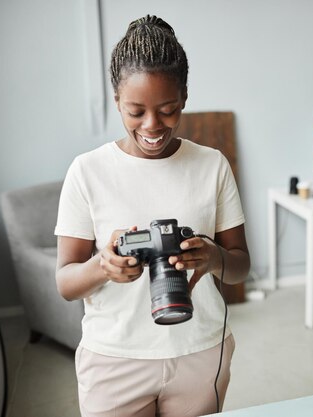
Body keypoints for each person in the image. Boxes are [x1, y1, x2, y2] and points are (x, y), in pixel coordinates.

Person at [54, 15, 250, 417]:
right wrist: (103, 266)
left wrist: (212, 258)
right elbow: (66, 283)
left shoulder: (212, 165)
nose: (152, 125)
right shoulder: (87, 171)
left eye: (167, 109)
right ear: (116, 101)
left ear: (184, 98)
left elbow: (240, 267)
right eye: (135, 111)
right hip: (114, 357)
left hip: (200, 349)